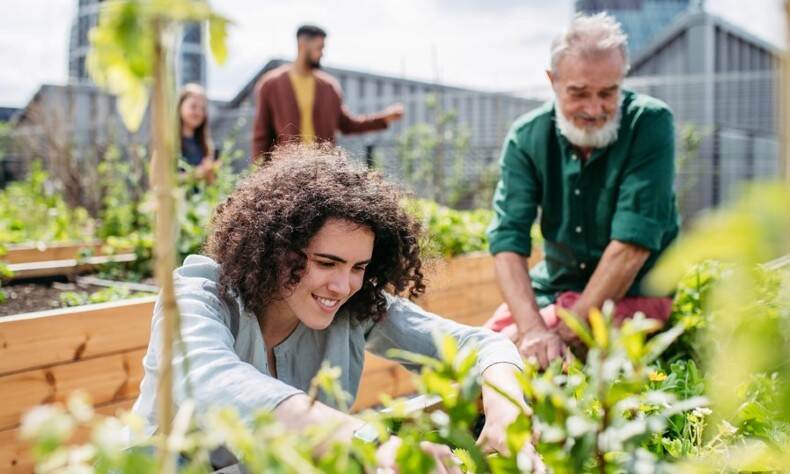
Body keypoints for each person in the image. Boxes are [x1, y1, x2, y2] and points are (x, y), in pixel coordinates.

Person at [131, 144, 531, 471]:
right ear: (274, 247)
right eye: (326, 263)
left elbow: (477, 345)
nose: (343, 286)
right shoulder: (196, 296)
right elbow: (212, 383)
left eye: (359, 267)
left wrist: (505, 406)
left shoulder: (356, 305)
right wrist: (371, 444)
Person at [485, 13, 679, 368]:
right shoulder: (527, 137)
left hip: (634, 293)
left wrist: (563, 332)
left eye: (608, 93)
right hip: (554, 290)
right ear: (553, 81)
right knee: (486, 352)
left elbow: (630, 249)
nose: (595, 109)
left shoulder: (650, 123)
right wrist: (531, 329)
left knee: (517, 360)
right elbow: (507, 241)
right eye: (578, 93)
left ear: (623, 80)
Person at [251, 24, 404, 162]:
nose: (322, 53)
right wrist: (259, 171)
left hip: (324, 171)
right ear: (303, 45)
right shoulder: (271, 84)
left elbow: (347, 124)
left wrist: (383, 118)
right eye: (320, 47)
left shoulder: (329, 87)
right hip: (287, 172)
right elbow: (262, 134)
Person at [178, 83, 217, 182]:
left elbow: (211, 184)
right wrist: (197, 174)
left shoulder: (206, 145)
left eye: (202, 109)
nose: (199, 112)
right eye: (193, 106)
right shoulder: (168, 142)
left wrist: (210, 173)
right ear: (180, 106)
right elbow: (157, 181)